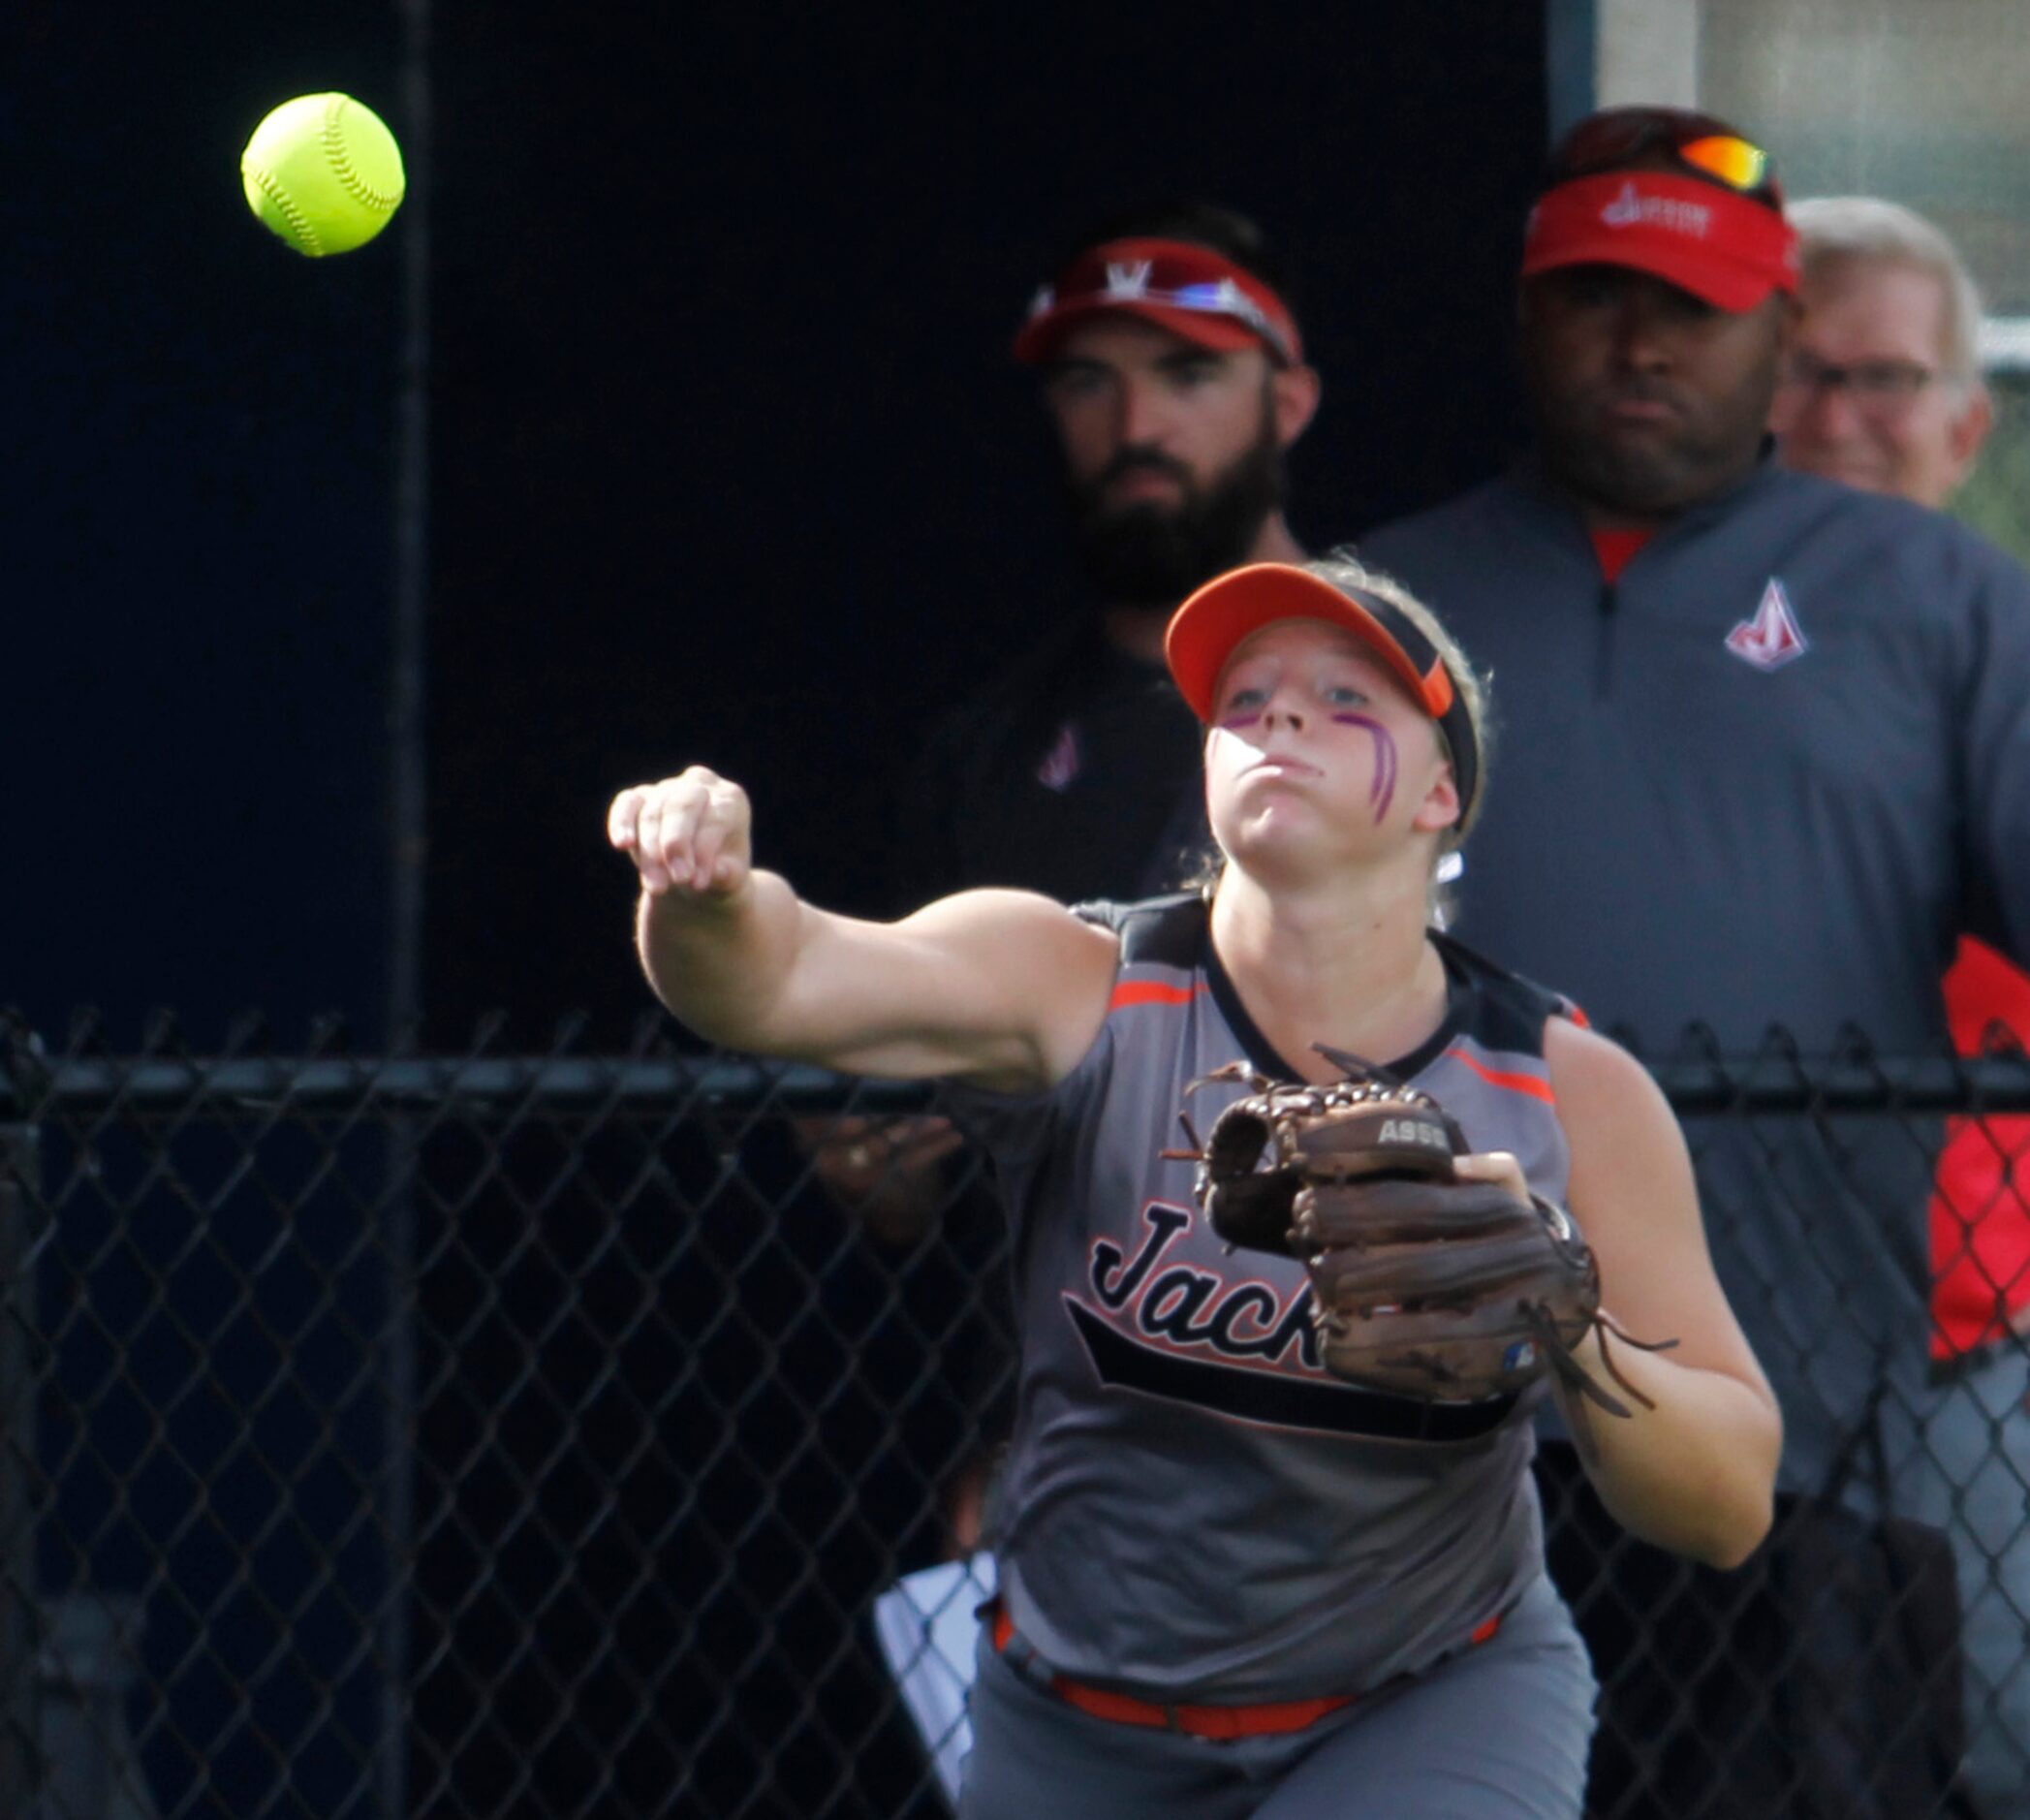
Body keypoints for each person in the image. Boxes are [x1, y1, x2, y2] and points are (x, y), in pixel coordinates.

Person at [609, 553, 1782, 1819]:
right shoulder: (1081, 980)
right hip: (1083, 1720)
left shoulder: (1564, 1087)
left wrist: (1568, 1315)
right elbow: (778, 982)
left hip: (1424, 1698)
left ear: (1442, 789)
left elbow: (1726, 1505)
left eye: (1347, 697)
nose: (1279, 711)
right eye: (1246, 696)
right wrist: (708, 892)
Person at [1359, 106, 2030, 1815]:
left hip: (1808, 1424)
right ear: (1524, 317)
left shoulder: (1938, 595)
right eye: (1593, 294)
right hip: (1406, 1439)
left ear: (1781, 332)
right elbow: (1187, 972)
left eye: (1691, 302)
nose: (1641, 340)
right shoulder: (1374, 602)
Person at [1772, 192, 2030, 1812]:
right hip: (1714, 1343)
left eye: (1880, 377)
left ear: (1964, 418)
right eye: (1794, 374)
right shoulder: (1644, 658)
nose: (1836, 419)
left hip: (1986, 1343)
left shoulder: (2010, 647)